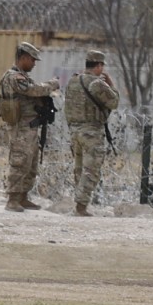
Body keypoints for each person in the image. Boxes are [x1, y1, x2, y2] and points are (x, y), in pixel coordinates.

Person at [0, 42, 60, 212]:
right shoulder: (14, 77)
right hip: (21, 128)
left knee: (30, 164)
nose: (33, 63)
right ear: (23, 58)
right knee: (19, 162)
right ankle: (12, 199)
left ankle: (23, 197)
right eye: (32, 60)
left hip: (29, 127)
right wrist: (51, 84)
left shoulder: (22, 76)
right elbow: (34, 90)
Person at [64, 50, 120, 217]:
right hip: (91, 132)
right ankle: (81, 206)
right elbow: (114, 102)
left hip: (75, 131)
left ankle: (78, 204)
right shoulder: (97, 84)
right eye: (102, 66)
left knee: (79, 169)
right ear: (99, 66)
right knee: (91, 170)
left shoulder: (73, 80)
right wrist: (111, 84)